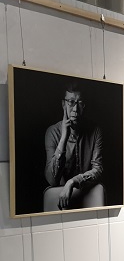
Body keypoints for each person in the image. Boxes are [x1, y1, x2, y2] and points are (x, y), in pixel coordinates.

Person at [43, 82, 105, 211]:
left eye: (80, 103)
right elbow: (52, 180)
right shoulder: (52, 132)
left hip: (88, 196)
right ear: (63, 104)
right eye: (71, 102)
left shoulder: (95, 131)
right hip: (59, 200)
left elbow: (98, 169)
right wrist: (63, 139)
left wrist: (72, 182)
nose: (75, 109)